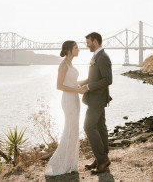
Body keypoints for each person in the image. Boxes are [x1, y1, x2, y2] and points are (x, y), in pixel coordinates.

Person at [45, 40, 85, 176]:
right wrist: (78, 90)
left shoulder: (70, 64)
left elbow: (72, 83)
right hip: (68, 100)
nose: (78, 50)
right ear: (69, 50)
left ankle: (70, 164)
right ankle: (59, 164)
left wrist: (87, 81)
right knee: (70, 130)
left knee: (74, 130)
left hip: (74, 98)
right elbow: (59, 86)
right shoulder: (63, 65)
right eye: (76, 48)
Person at [79, 32, 113, 174]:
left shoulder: (103, 57)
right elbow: (94, 78)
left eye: (88, 42)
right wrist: (80, 83)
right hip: (96, 99)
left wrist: (88, 87)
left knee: (88, 127)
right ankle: (101, 158)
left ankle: (102, 159)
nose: (86, 45)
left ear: (95, 41)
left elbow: (107, 80)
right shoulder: (96, 56)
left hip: (97, 99)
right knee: (100, 128)